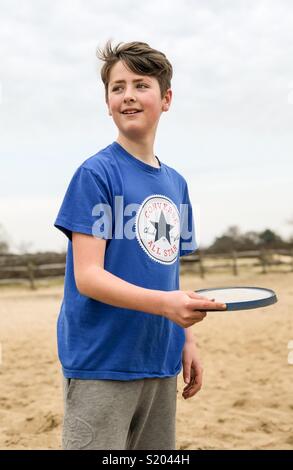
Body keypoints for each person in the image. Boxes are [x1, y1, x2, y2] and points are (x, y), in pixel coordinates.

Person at [54, 40, 226, 451]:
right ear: (107, 102)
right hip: (102, 360)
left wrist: (187, 340)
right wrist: (167, 305)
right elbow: (89, 277)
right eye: (117, 87)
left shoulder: (176, 184)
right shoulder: (96, 174)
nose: (128, 94)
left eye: (141, 84)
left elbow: (171, 272)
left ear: (165, 99)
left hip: (159, 358)